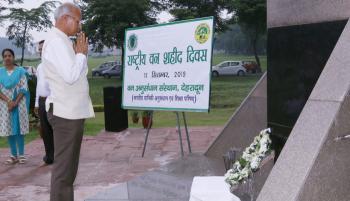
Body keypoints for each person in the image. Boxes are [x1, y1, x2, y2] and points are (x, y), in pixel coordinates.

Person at [41, 3, 94, 201]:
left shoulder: (63, 41)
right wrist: (79, 54)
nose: (79, 26)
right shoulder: (56, 42)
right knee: (64, 172)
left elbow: (81, 72)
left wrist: (81, 55)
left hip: (71, 112)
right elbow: (71, 76)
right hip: (66, 114)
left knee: (68, 172)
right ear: (65, 18)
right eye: (77, 21)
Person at [0, 48, 30, 165]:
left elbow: (24, 88)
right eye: (5, 56)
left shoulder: (20, 71)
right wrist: (8, 101)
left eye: (9, 55)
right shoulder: (0, 72)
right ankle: (13, 155)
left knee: (19, 129)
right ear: (3, 58)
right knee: (9, 129)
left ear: (13, 57)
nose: (7, 58)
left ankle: (21, 155)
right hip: (4, 105)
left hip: (19, 103)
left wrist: (15, 102)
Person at [34, 40, 54, 165]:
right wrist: (36, 103)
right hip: (41, 101)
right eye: (39, 49)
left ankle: (59, 155)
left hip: (52, 101)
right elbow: (38, 86)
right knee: (45, 130)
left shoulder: (54, 65)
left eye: (43, 48)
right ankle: (49, 156)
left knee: (54, 129)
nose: (41, 51)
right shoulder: (40, 67)